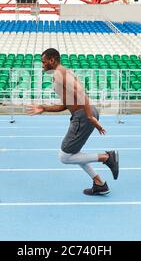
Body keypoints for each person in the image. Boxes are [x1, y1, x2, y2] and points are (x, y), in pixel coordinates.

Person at [27, 48, 119, 195]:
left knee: (64, 156)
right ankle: (99, 184)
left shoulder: (60, 74)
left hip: (83, 115)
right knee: (74, 153)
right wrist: (44, 108)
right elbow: (65, 105)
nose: (42, 65)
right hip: (83, 113)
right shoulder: (61, 74)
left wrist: (90, 117)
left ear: (52, 60)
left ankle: (106, 157)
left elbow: (81, 92)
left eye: (43, 62)